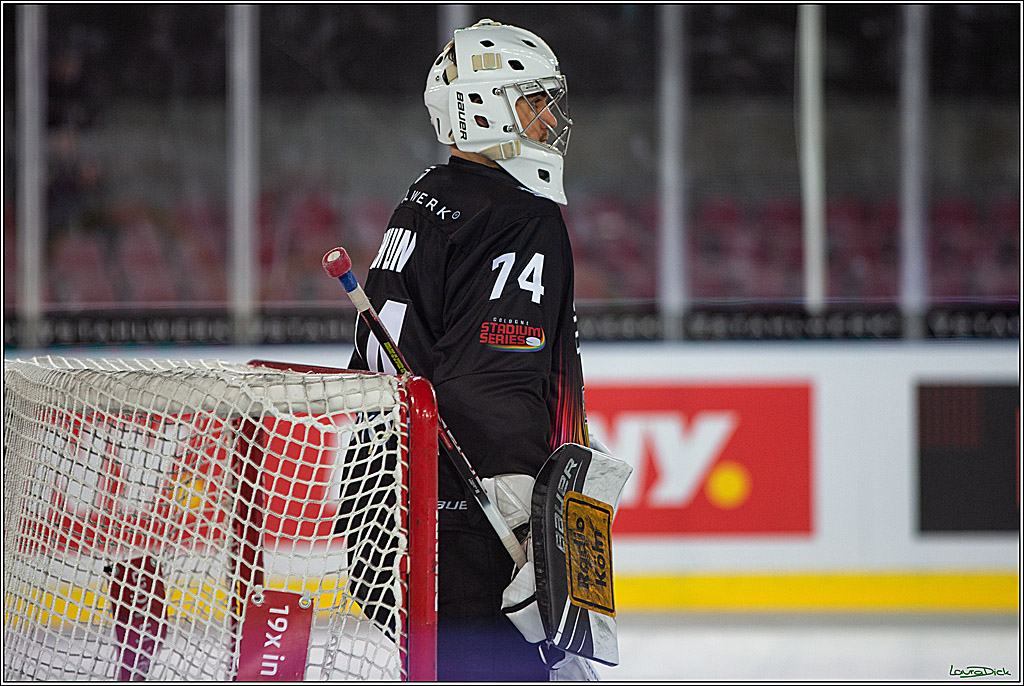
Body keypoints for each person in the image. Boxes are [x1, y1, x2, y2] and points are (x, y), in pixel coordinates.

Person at [345, 18, 588, 681]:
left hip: (379, 506)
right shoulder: (521, 216)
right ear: (484, 109)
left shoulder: (423, 199)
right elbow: (492, 381)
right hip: (465, 523)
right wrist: (527, 526)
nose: (549, 119)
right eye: (534, 102)